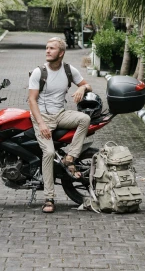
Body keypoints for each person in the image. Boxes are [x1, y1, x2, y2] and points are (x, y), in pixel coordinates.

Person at [27, 37, 92, 213]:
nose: (47, 51)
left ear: (61, 53)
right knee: (48, 152)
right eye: (47, 48)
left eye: (52, 48)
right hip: (42, 117)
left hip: (61, 114)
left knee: (84, 119)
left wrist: (81, 88)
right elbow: (31, 100)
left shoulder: (69, 70)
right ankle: (49, 198)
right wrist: (41, 124)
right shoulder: (38, 72)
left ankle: (69, 157)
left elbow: (87, 85)